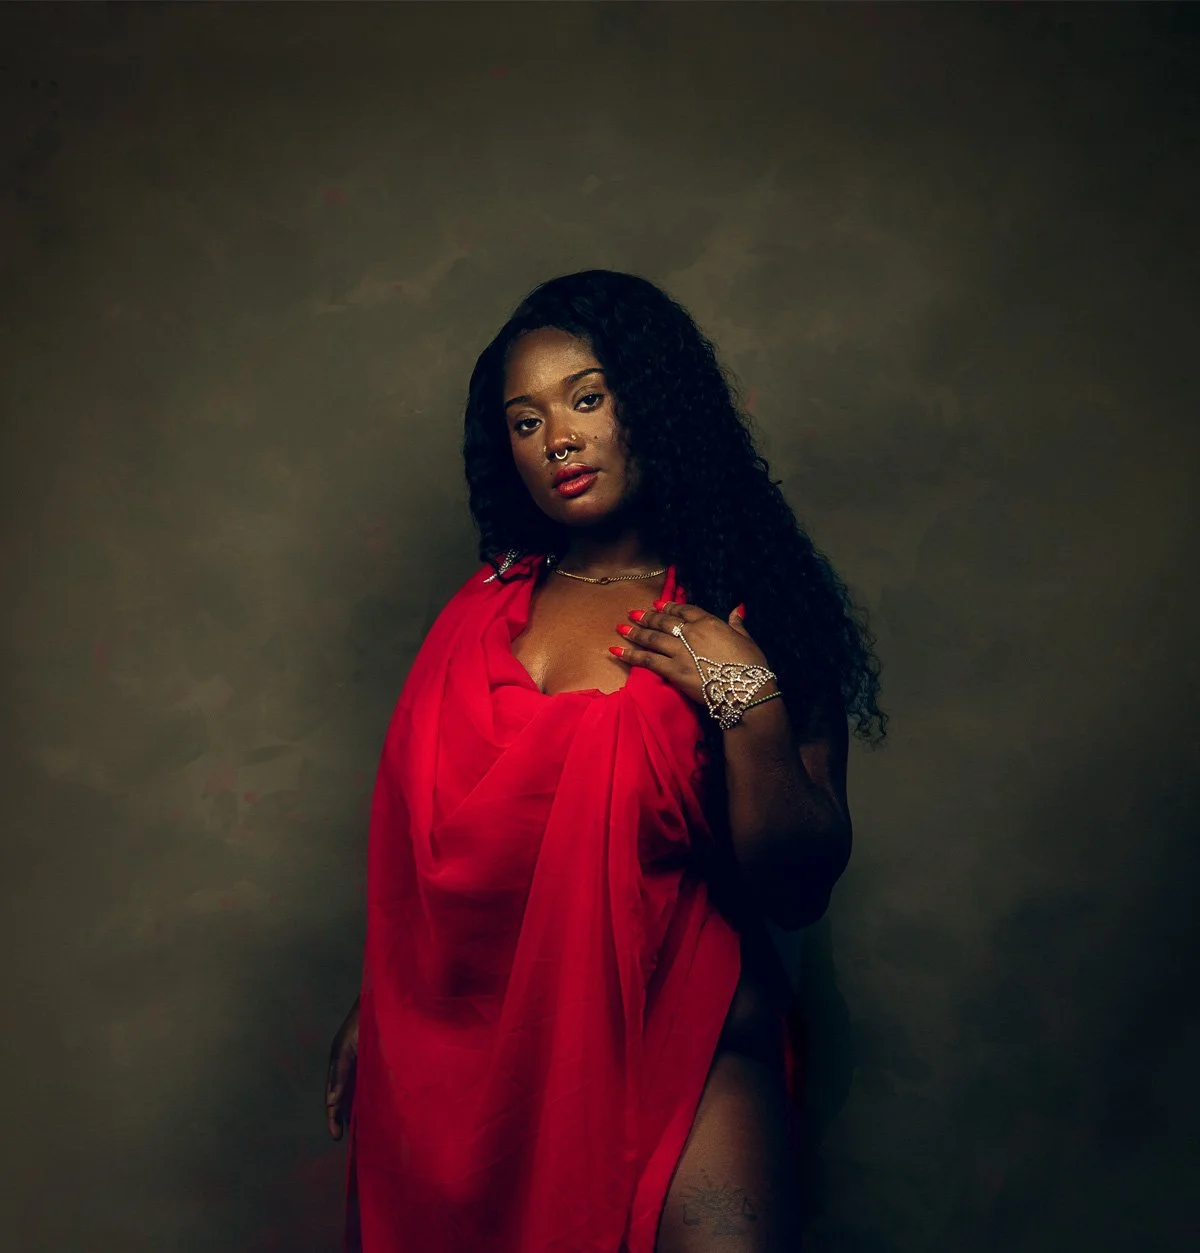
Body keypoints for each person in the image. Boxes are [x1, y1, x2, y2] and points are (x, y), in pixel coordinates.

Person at [325, 270, 885, 1252]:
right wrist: (387, 1002)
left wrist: (744, 696)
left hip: (687, 1039)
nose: (559, 438)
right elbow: (442, 861)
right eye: (527, 420)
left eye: (586, 398)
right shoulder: (478, 612)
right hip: (478, 1060)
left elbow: (799, 884)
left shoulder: (748, 603)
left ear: (654, 401)